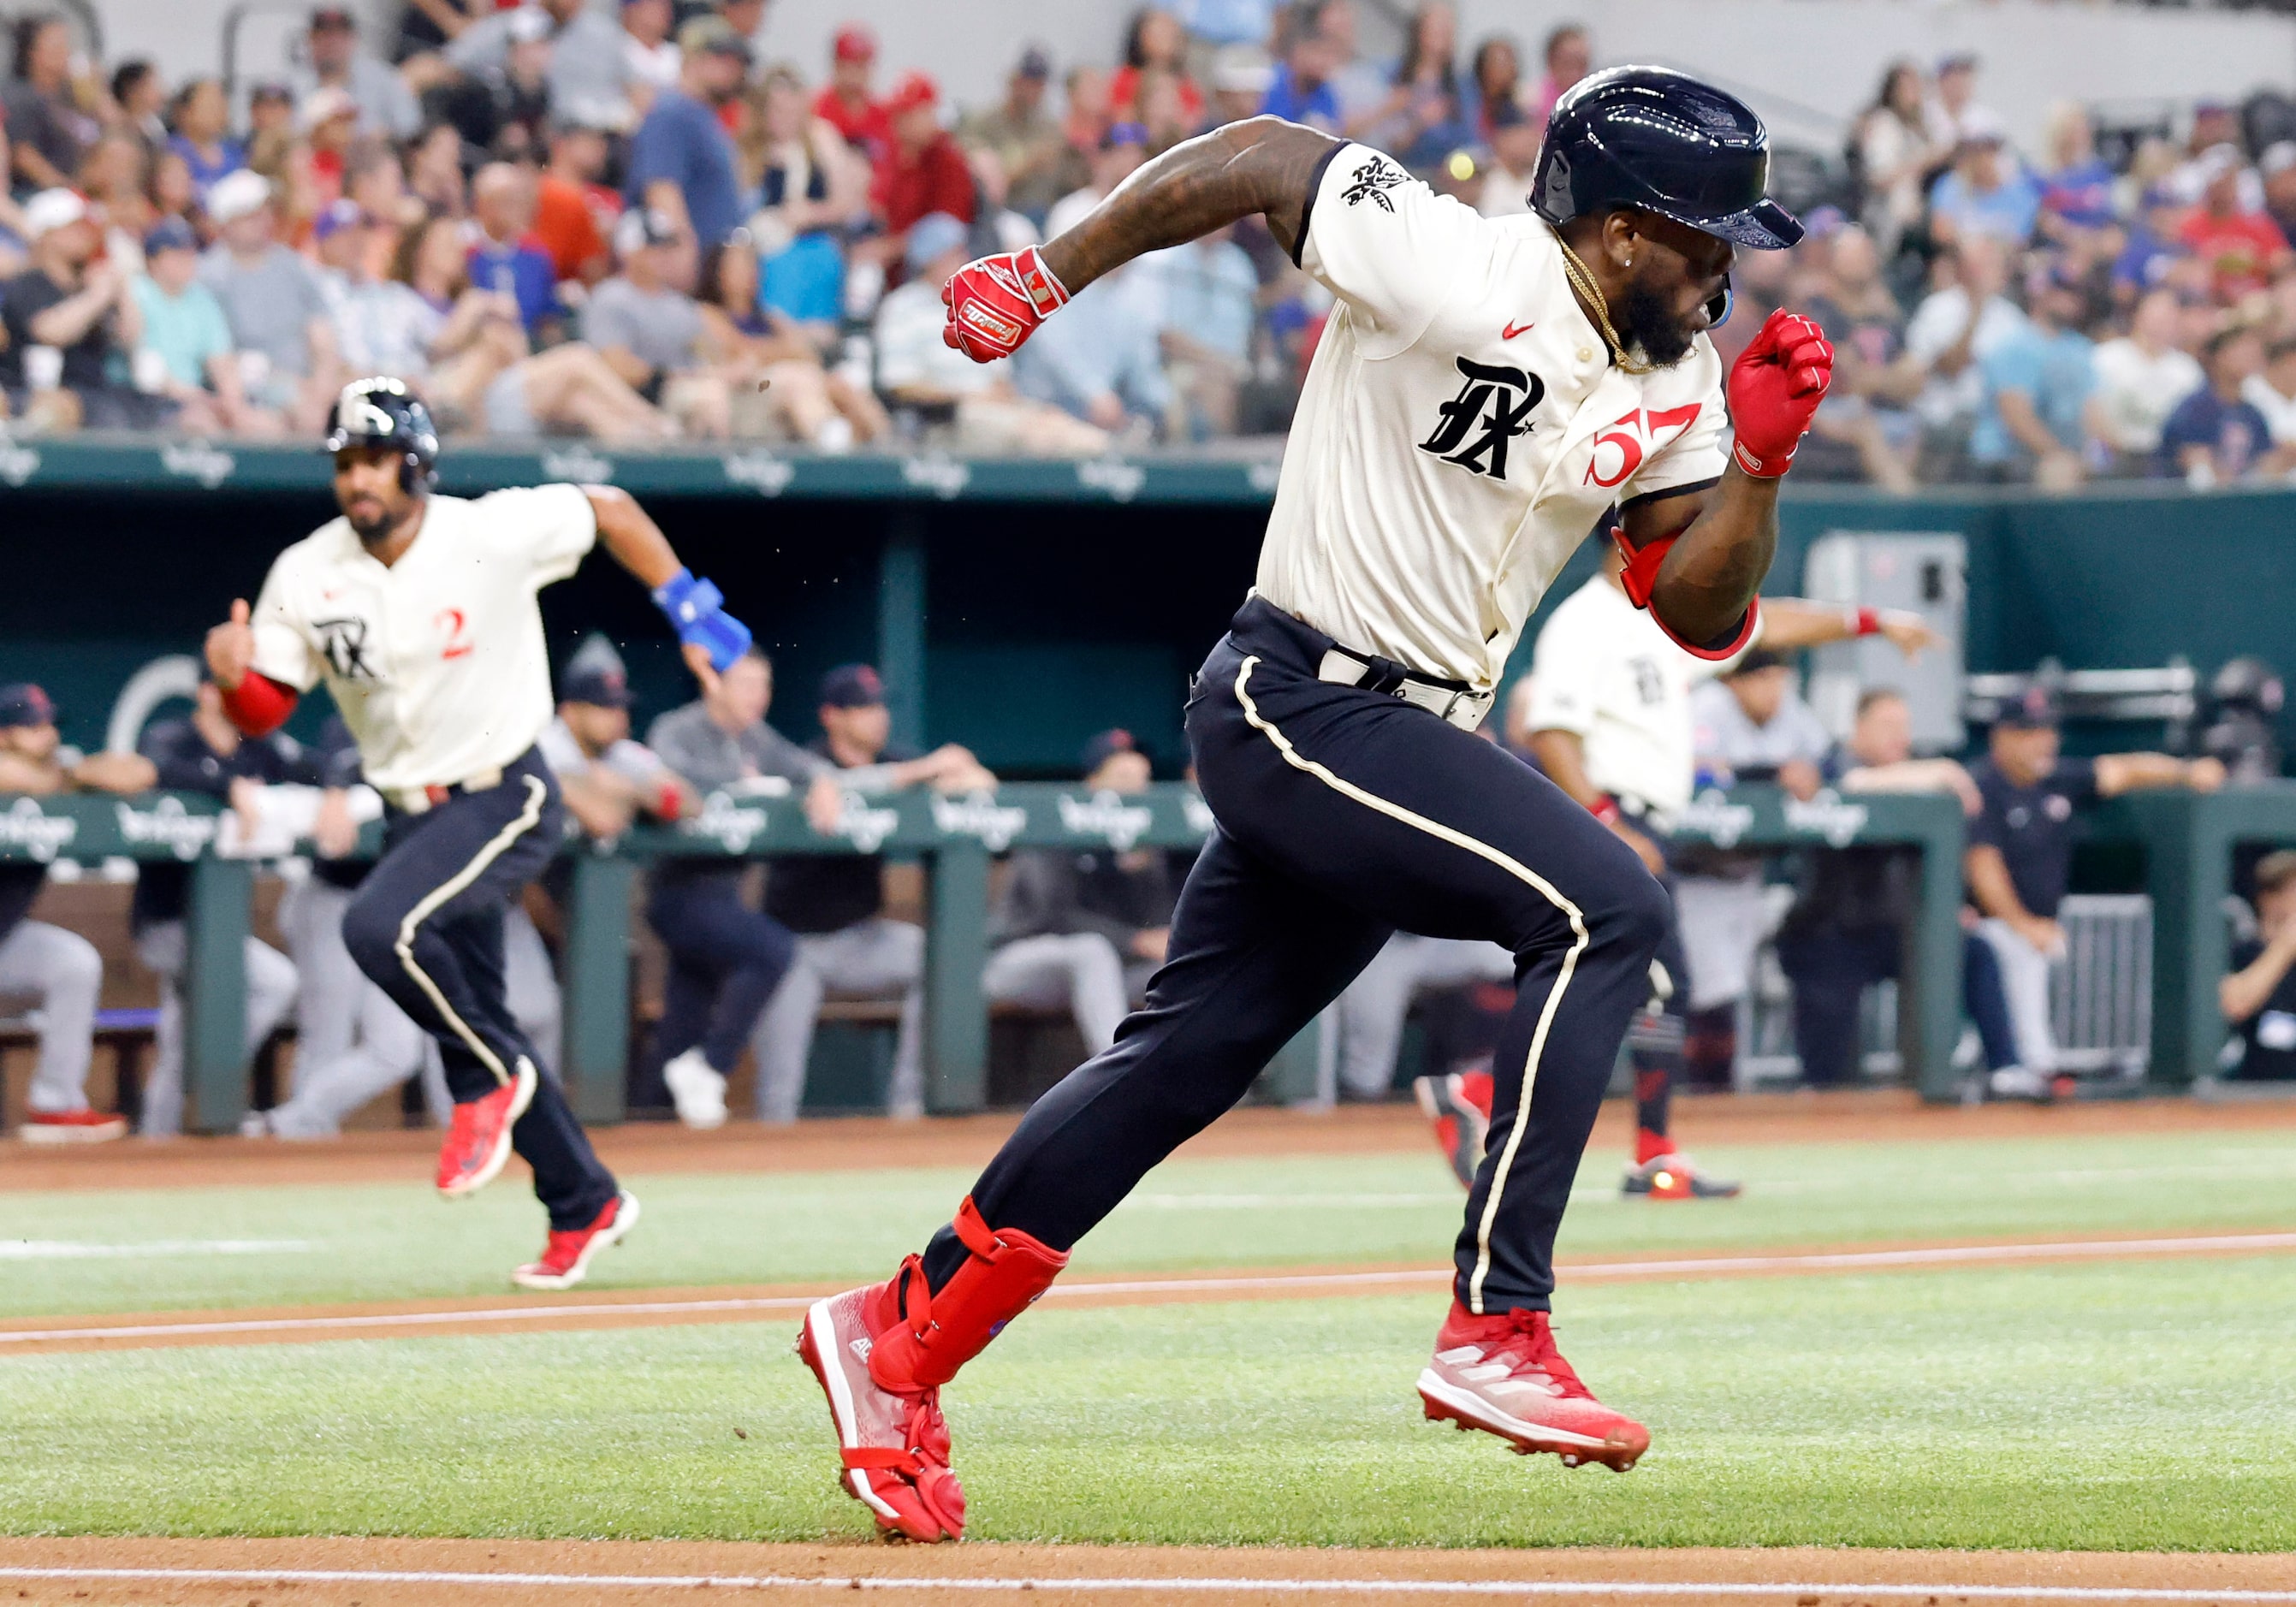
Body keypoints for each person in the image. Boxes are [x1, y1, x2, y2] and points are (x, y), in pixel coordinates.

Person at [799, 67, 1836, 1539]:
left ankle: (896, 1336)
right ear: (1613, 229)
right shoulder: (1464, 264)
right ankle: (1496, 1324)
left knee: (1174, 1068)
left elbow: (1695, 607)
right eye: (1703, 234)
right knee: (1608, 907)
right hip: (1295, 694)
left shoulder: (1675, 375)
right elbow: (1260, 155)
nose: (1728, 265)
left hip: (1402, 741)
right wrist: (1045, 270)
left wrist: (1761, 465)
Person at [201, 377, 753, 1287]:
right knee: (482, 1015)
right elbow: (267, 708)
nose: (359, 479)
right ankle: (586, 1200)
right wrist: (231, 677)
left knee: (379, 930)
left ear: (414, 462)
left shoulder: (484, 531)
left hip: (507, 793)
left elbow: (610, 509)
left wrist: (687, 606)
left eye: (375, 458)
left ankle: (484, 1081)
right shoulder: (308, 569)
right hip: (410, 813)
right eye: (346, 462)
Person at [751, 665, 995, 1125]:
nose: (877, 717)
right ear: (832, 716)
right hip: (793, 945)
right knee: (777, 1096)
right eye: (862, 708)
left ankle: (908, 1108)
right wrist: (923, 770)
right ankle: (770, 1144)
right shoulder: (807, 764)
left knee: (939, 959)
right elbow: (840, 787)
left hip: (865, 939)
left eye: (878, 706)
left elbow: (979, 786)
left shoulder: (896, 761)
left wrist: (962, 772)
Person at [1967, 685, 2225, 1100]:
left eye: (2046, 730)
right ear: (2002, 736)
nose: (2044, 740)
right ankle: (2024, 1068)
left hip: (2045, 925)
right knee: (2010, 947)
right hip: (1988, 923)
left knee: (2041, 955)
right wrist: (2021, 923)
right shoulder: (1984, 785)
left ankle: (2035, 1064)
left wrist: (2185, 772)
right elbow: (1983, 865)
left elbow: (2123, 770)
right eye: (2029, 731)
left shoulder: (2058, 778)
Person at [1776, 687, 2023, 1094]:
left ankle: (2006, 1069)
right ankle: (1823, 1090)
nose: (1899, 738)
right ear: (1858, 729)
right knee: (1822, 966)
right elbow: (1852, 783)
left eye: (1904, 728)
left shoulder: (1919, 776)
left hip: (1900, 929)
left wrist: (1952, 906)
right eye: (1887, 726)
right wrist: (1945, 771)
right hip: (1834, 928)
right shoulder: (1833, 764)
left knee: (1976, 951)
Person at [644, 647, 837, 1125]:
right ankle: (713, 1065)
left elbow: (805, 765)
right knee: (772, 950)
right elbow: (667, 773)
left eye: (764, 685)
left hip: (724, 894)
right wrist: (742, 783)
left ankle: (648, 1122)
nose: (759, 697)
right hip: (678, 892)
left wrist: (822, 783)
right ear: (716, 684)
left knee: (682, 1026)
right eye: (747, 684)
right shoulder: (677, 727)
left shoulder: (756, 738)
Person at [246, 717, 448, 1142]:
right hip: (329, 898)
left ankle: (288, 1123)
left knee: (397, 1049)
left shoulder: (450, 738)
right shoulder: (369, 714)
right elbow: (343, 746)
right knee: (327, 1037)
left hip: (387, 908)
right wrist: (336, 792)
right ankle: (295, 1150)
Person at [131, 677, 308, 1138]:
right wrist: (228, 786)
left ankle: (156, 1140)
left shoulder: (258, 746)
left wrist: (332, 793)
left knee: (182, 1037)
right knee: (273, 982)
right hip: (164, 921)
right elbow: (155, 767)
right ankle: (209, 1079)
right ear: (208, 692)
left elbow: (314, 768)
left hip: (218, 926)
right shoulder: (172, 737)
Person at [0, 684, 145, 1143]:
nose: (46, 735)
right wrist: (67, 778)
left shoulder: (61, 772)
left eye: (48, 725)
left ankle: (55, 1100)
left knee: (73, 963)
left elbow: (136, 773)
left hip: (5, 940)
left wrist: (73, 773)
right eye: (31, 727)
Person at [986, 730, 1178, 1060]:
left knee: (1183, 972)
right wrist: (1135, 940)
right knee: (1092, 951)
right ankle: (1120, 1082)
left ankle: (1202, 1080)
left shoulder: (1145, 839)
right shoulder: (1056, 825)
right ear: (1092, 783)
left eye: (1142, 778)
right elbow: (1053, 916)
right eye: (1122, 777)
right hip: (1017, 963)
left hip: (1107, 971)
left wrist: (1139, 872)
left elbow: (1156, 924)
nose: (1135, 789)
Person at [873, 213, 1112, 456]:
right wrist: (973, 397)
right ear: (931, 260)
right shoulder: (902, 306)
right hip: (948, 417)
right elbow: (900, 385)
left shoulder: (978, 300)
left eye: (961, 251)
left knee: (1076, 433)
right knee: (1045, 441)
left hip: (997, 408)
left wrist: (1004, 401)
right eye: (952, 253)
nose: (963, 259)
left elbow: (1001, 380)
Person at [0, 188, 172, 432]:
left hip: (96, 392)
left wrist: (121, 289)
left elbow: (131, 335)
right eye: (74, 227)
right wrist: (97, 295)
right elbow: (51, 332)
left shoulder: (89, 281)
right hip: (35, 393)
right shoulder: (28, 282)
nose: (85, 235)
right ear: (47, 233)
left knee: (163, 414)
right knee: (71, 410)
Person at [199, 169, 341, 433]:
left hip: (304, 385)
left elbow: (322, 335)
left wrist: (322, 386)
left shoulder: (292, 266)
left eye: (265, 212)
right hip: (248, 387)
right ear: (226, 222)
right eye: (251, 215)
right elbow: (217, 353)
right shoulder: (209, 276)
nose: (263, 221)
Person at [132, 217, 276, 438]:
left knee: (264, 424)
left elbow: (221, 361)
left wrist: (234, 406)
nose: (187, 260)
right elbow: (144, 363)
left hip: (195, 397)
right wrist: (202, 400)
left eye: (190, 253)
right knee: (200, 423)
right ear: (153, 260)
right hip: (146, 399)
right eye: (176, 254)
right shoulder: (136, 292)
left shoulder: (201, 298)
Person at [624, 16, 752, 250]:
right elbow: (662, 191)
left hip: (713, 271)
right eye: (726, 61)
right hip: (686, 271)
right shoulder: (672, 113)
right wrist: (682, 254)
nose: (736, 71)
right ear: (696, 60)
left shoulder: (705, 116)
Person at [1969, 264, 2101, 489]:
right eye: (2060, 290)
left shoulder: (2080, 348)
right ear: (2040, 292)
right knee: (2058, 473)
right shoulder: (2014, 345)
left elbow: (2093, 410)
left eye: (2075, 292)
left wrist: (2101, 452)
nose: (2069, 299)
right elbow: (2017, 417)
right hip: (2007, 457)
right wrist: (2060, 455)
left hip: (2067, 456)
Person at [437, 0, 638, 136]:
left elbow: (638, 90)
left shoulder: (604, 33)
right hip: (533, 132)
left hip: (601, 136)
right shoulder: (513, 24)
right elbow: (451, 64)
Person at [2090, 288, 2203, 476]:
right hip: (2115, 456)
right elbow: (2090, 409)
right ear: (2137, 315)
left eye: (2169, 317)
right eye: (2156, 315)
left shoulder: (2187, 370)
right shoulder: (2105, 358)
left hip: (2167, 461)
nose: (2161, 323)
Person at [2160, 324, 2289, 487]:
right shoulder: (2195, 409)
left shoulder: (2253, 414)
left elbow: (2267, 463)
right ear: (2218, 356)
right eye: (2240, 349)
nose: (2249, 356)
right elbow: (2195, 466)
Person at [871, 73, 978, 259]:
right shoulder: (896, 155)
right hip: (896, 261)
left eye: (908, 115)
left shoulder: (947, 160)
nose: (899, 122)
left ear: (930, 114)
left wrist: (889, 248)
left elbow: (947, 231)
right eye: (897, 114)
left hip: (937, 271)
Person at [958, 46, 1064, 222]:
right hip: (1002, 214)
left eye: (1040, 83)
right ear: (1013, 81)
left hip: (1047, 211)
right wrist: (1028, 164)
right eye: (1029, 81)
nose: (1036, 89)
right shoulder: (984, 124)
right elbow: (981, 183)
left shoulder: (1048, 127)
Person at [1850, 63, 1939, 263]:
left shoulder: (1918, 130)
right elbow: (1878, 178)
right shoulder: (1883, 124)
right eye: (1908, 89)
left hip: (1917, 216)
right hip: (1887, 219)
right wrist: (1921, 161)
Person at [2178, 151, 2292, 306]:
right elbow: (2183, 269)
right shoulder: (2190, 226)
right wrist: (2215, 263)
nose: (2223, 190)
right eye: (2218, 184)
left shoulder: (2256, 221)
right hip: (2210, 304)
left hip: (2259, 300)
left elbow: (2283, 260)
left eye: (2228, 182)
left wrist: (2256, 262)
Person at [292, 5, 421, 141]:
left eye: (339, 36)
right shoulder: (293, 84)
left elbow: (411, 130)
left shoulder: (384, 79)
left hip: (370, 157)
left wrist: (379, 137)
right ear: (310, 39)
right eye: (324, 35)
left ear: (353, 40)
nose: (331, 43)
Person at [2221, 850, 2296, 1083]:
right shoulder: (2243, 951)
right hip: (2253, 1086)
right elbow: (2236, 1004)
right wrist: (2286, 944)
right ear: (2268, 898)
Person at [468, 163, 563, 339]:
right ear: (482, 205)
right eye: (507, 201)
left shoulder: (536, 255)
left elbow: (549, 316)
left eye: (520, 200)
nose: (517, 209)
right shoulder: (465, 253)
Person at [3, 13, 97, 193]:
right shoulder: (21, 96)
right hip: (37, 194)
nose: (66, 52)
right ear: (32, 52)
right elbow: (23, 155)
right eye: (57, 46)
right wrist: (69, 190)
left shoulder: (68, 97)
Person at [1925, 125, 2040, 249]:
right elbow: (1941, 232)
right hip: (1962, 258)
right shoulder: (1951, 186)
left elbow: (2020, 240)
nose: (1983, 159)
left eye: (1989, 150)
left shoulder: (2020, 193)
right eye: (1975, 151)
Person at [165, 78, 249, 205]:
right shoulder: (171, 153)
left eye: (221, 104)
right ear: (185, 112)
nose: (219, 112)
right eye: (210, 106)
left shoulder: (234, 152)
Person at [812, 25, 887, 159]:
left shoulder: (883, 114)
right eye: (848, 65)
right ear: (835, 64)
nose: (854, 75)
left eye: (861, 66)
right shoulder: (816, 108)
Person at [1476, 98, 1539, 220]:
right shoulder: (1490, 187)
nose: (1530, 141)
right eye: (1520, 134)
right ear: (1501, 141)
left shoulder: (1537, 180)